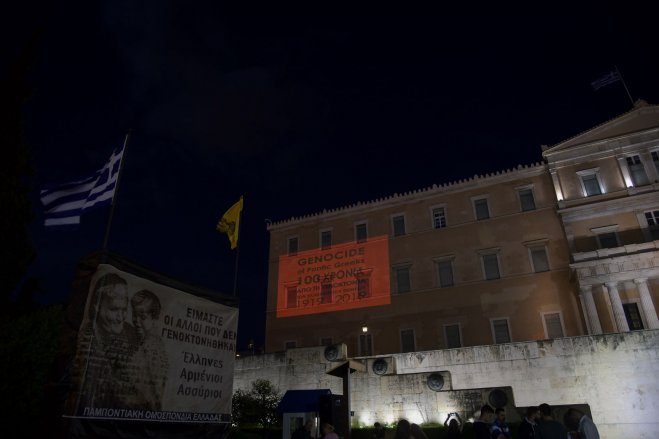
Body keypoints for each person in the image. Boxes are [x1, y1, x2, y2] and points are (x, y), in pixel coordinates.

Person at [74, 273, 139, 412]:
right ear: (97, 306)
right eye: (114, 309)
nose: (120, 318)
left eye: (124, 309)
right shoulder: (85, 338)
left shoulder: (132, 334)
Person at [128, 289, 169, 410]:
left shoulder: (153, 347)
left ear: (154, 318)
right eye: (134, 315)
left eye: (143, 316)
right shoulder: (140, 341)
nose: (136, 321)